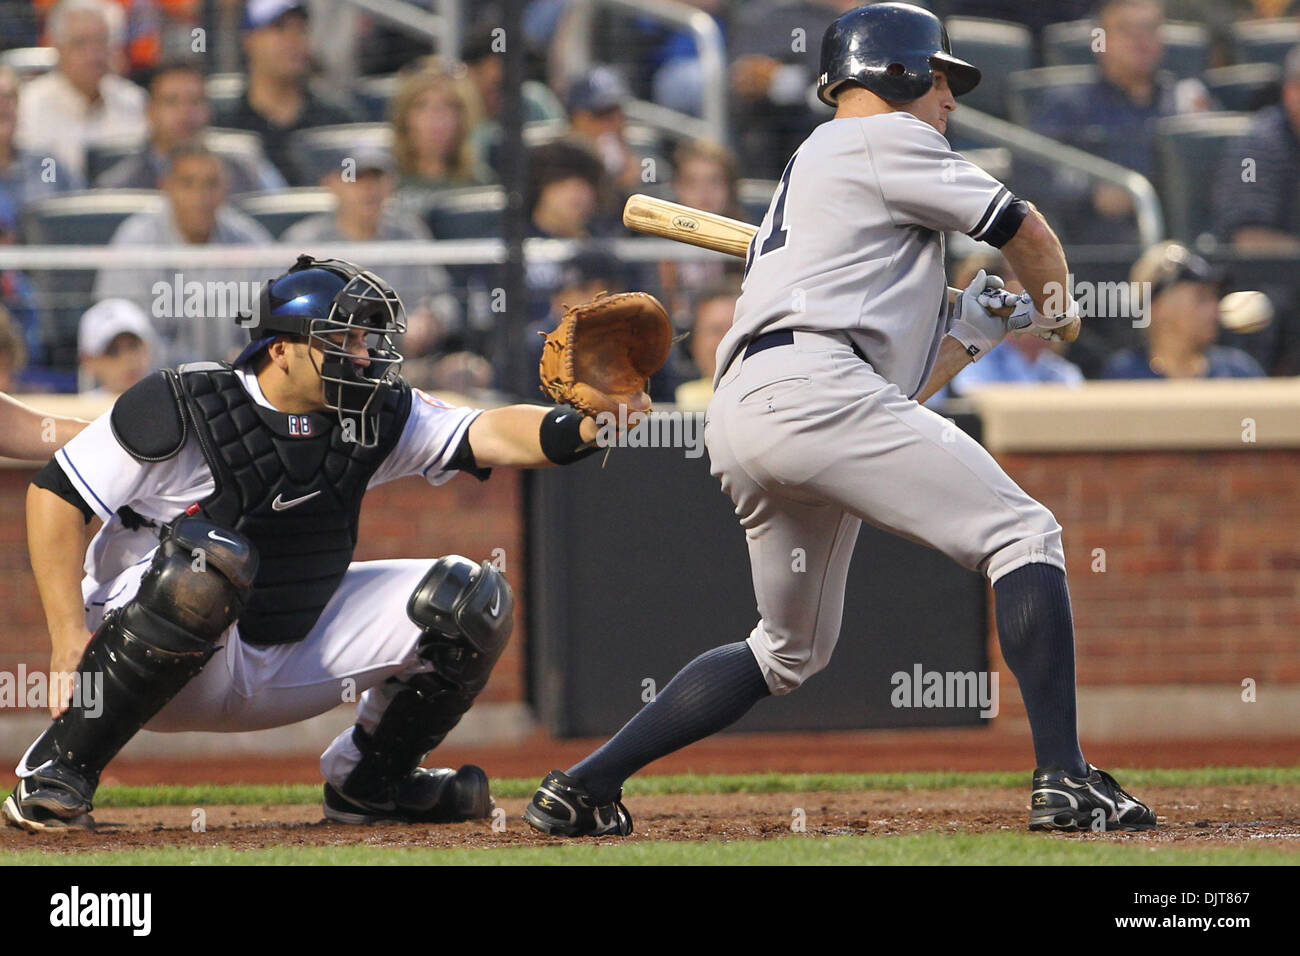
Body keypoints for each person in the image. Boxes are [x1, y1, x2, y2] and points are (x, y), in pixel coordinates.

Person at [524, 3, 1155, 838]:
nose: (948, 101)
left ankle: (582, 786)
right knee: (1023, 534)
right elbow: (1025, 229)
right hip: (815, 387)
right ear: (894, 74)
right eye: (938, 79)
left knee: (786, 651)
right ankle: (1065, 779)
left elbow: (890, 399)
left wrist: (969, 330)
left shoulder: (821, 173)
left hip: (753, 408)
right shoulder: (887, 138)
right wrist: (1056, 305)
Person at [4, 253, 613, 832]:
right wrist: (65, 636)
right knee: (207, 564)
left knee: (472, 599)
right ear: (282, 352)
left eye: (365, 341)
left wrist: (587, 423)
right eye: (341, 341)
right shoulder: (181, 404)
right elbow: (55, 495)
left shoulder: (375, 412)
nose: (363, 357)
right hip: (146, 657)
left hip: (291, 644)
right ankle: (58, 769)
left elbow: (490, 432)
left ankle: (372, 783)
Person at [1027, 0, 1201, 245]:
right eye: (1126, 29)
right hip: (1093, 250)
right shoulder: (1067, 105)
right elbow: (1033, 173)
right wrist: (1092, 193)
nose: (1140, 40)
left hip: (1177, 244)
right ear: (1100, 41)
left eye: (1150, 29)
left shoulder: (1187, 103)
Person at [93, 141, 273, 365]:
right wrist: (195, 371)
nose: (201, 196)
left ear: (225, 188)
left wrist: (249, 356)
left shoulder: (249, 240)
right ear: (165, 187)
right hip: (158, 383)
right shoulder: (135, 242)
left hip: (236, 382)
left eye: (211, 183)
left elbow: (272, 319)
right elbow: (124, 332)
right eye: (188, 184)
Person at [282, 146, 459, 332]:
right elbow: (281, 307)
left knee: (465, 363)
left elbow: (443, 297)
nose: (369, 189)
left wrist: (432, 320)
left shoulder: (409, 234)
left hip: (406, 356)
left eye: (377, 179)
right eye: (356, 179)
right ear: (331, 184)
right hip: (325, 354)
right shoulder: (304, 241)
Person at [213, 0, 351, 186]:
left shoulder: (338, 120)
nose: (293, 40)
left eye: (301, 29)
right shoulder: (225, 126)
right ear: (249, 38)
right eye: (279, 28)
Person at [97, 58, 285, 194]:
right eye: (171, 101)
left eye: (195, 101)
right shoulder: (119, 187)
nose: (185, 112)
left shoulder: (245, 167)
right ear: (150, 111)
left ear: (209, 110)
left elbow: (277, 216)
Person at [15, 0, 147, 184]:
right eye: (80, 43)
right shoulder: (27, 105)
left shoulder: (134, 100)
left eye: (102, 41)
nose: (93, 54)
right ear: (57, 47)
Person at [1102, 241, 1265, 380]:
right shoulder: (1125, 376)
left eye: (1214, 297)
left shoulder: (1239, 373)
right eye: (1201, 298)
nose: (1215, 309)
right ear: (1158, 307)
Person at [389, 60, 493, 197]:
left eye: (448, 107)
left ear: (463, 119)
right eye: (421, 106)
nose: (435, 119)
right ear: (404, 117)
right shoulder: (385, 181)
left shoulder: (480, 185)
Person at [674, 279, 740, 410]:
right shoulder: (673, 403)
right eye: (716, 330)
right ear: (693, 343)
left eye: (733, 330)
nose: (725, 343)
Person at [77, 297, 157, 396]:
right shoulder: (81, 409)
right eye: (112, 351)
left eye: (134, 347)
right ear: (88, 360)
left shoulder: (174, 406)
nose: (128, 359)